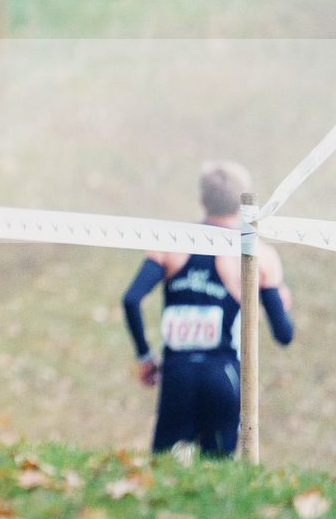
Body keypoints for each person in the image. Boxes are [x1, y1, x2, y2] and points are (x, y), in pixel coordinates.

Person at [120, 162, 295, 457]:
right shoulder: (259, 254)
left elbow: (131, 299)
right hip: (224, 375)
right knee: (218, 480)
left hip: (176, 375)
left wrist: (145, 356)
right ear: (244, 203)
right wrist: (279, 302)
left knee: (161, 472)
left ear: (202, 201)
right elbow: (284, 334)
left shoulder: (171, 242)